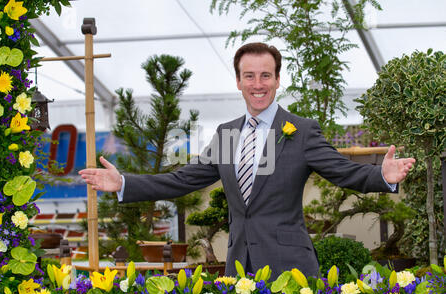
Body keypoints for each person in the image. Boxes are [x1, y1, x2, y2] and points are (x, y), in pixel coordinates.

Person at [79, 42, 415, 280]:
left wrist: (381, 175)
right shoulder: (227, 134)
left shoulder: (301, 130)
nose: (258, 84)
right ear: (238, 81)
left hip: (292, 266)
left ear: (277, 80)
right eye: (249, 76)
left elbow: (342, 171)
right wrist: (124, 183)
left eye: (266, 76)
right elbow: (184, 180)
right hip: (240, 266)